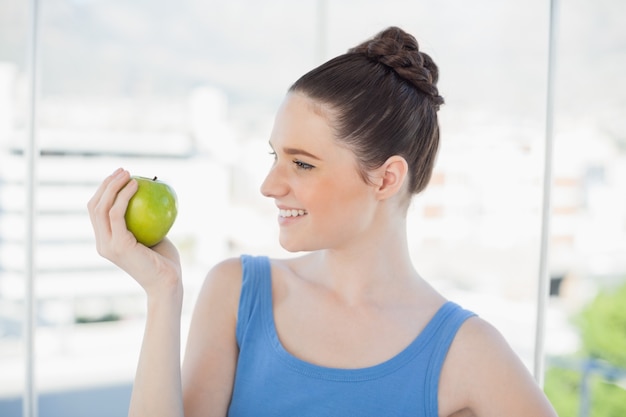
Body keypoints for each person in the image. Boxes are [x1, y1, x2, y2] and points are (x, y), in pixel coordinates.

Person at [88, 26, 558, 417]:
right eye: (275, 156)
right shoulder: (237, 293)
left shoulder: (469, 352)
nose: (270, 186)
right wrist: (162, 292)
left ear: (386, 178)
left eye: (303, 164)